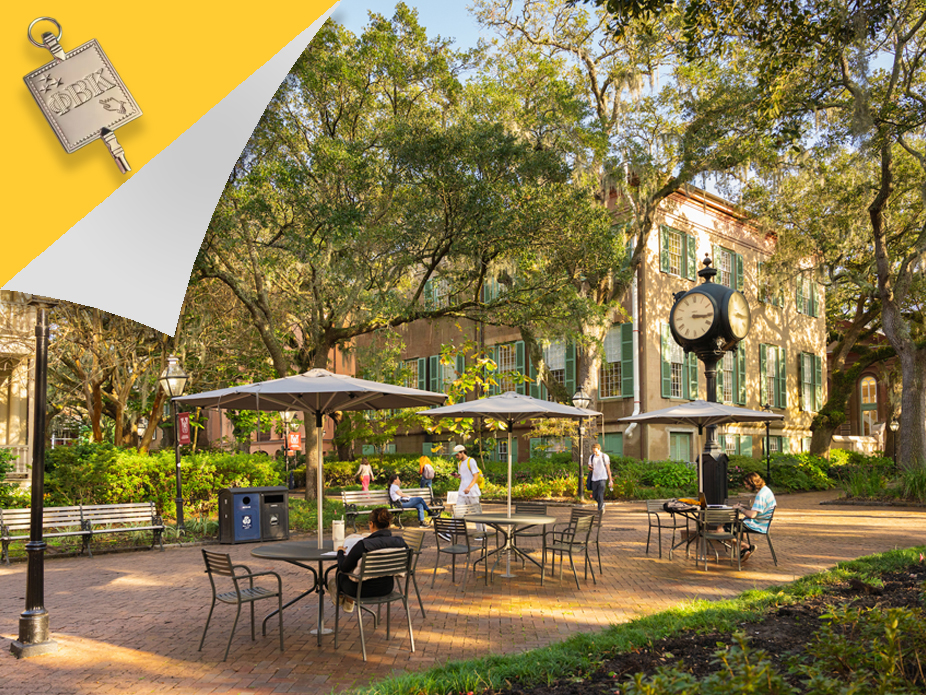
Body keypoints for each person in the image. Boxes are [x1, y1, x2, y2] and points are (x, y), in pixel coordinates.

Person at [331, 507, 408, 613]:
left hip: (360, 591)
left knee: (339, 573)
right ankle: (346, 601)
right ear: (388, 525)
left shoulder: (363, 545)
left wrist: (340, 552)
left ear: (371, 524)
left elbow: (344, 567)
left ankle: (342, 598)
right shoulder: (400, 543)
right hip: (387, 588)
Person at [732, 472, 776, 562]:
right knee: (735, 526)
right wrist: (745, 506)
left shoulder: (761, 495)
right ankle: (744, 549)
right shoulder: (766, 490)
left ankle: (747, 547)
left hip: (756, 524)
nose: (746, 487)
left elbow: (752, 515)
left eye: (747, 485)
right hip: (762, 522)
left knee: (721, 529)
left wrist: (740, 509)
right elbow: (758, 509)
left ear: (752, 483)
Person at [587, 442, 614, 512]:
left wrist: (610, 480)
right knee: (595, 495)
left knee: (600, 493)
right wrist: (590, 468)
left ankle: (600, 509)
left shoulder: (604, 456)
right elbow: (590, 467)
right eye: (593, 451)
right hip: (594, 478)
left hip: (603, 477)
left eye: (596, 451)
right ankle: (602, 504)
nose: (595, 453)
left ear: (599, 449)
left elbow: (608, 469)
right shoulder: (591, 457)